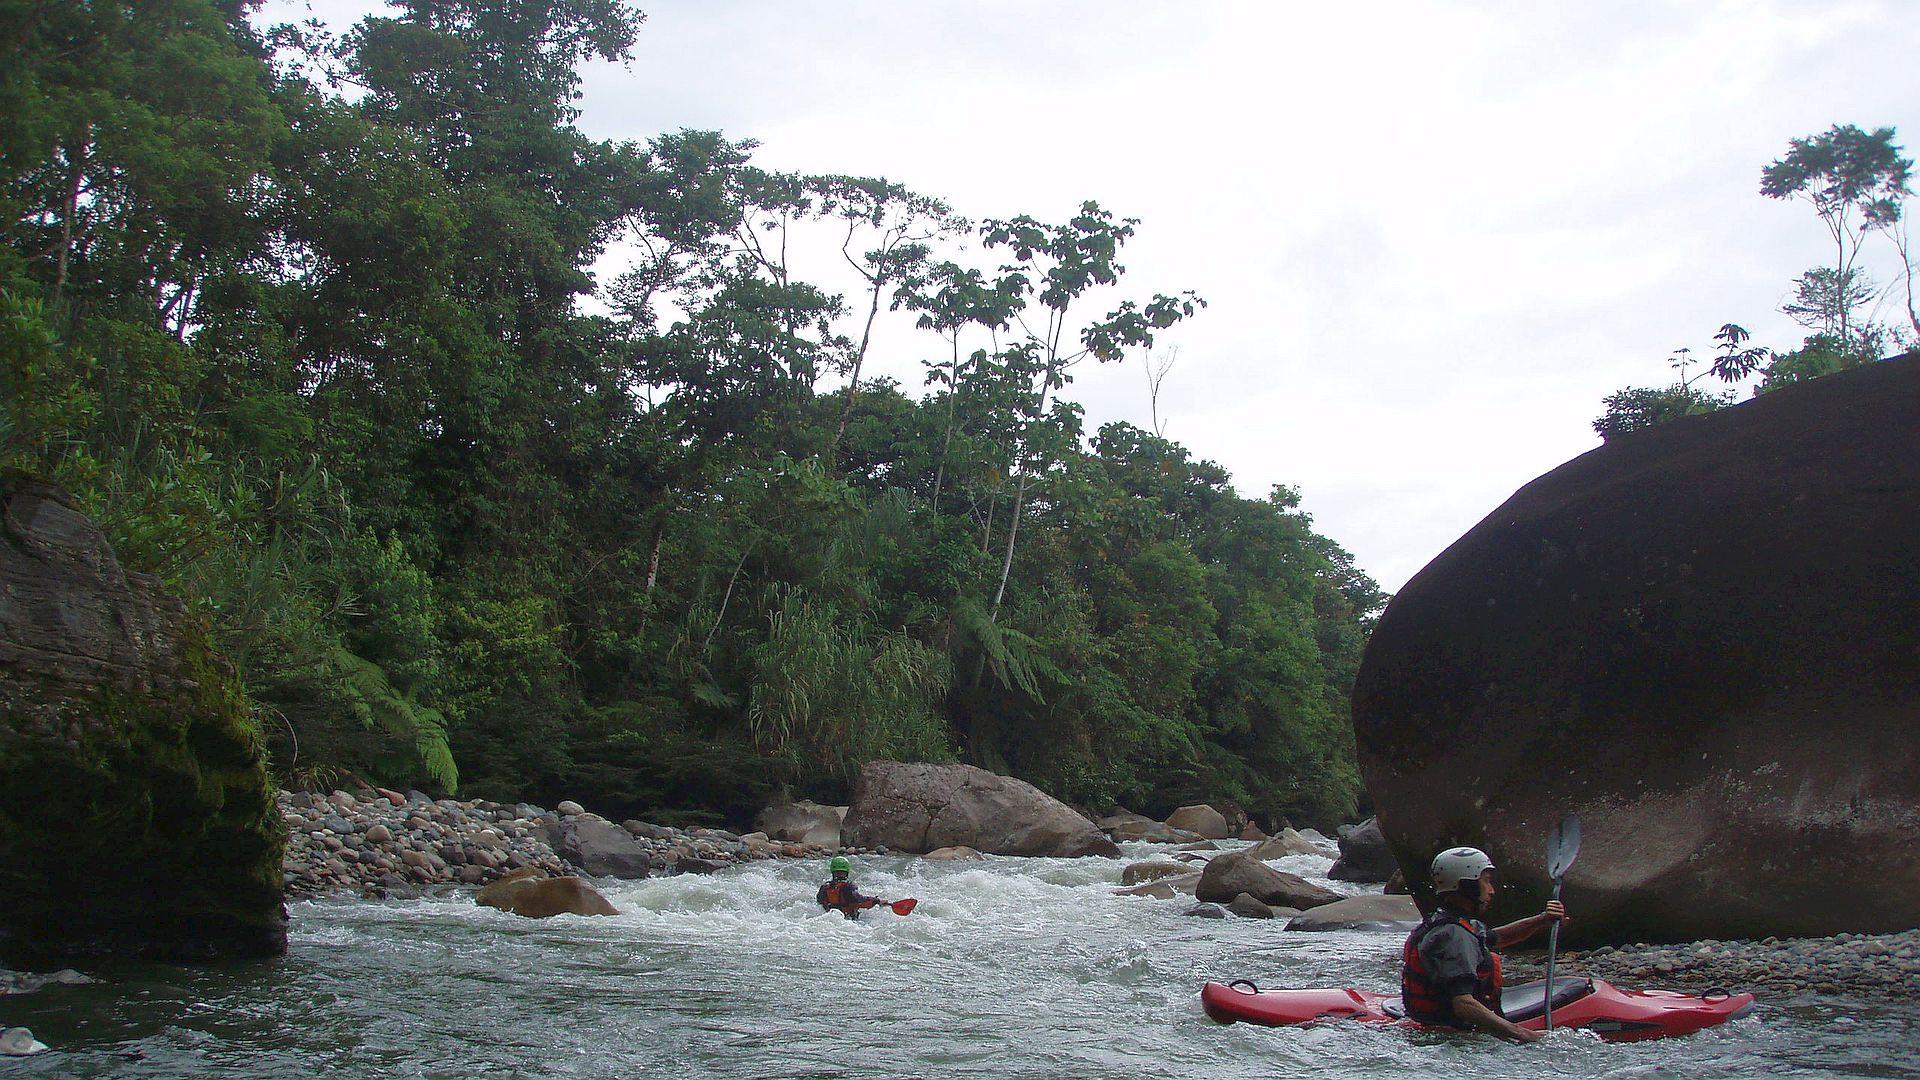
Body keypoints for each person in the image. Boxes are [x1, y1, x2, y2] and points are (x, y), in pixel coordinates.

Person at [1400, 846, 1568, 1043]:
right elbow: (1463, 1004)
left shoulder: (1446, 921)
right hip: (1454, 1037)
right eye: (1486, 882)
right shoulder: (1454, 935)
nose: (1491, 890)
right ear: (1467, 885)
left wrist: (1542, 920)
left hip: (1438, 1026)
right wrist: (1524, 1034)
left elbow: (1499, 938)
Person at [817, 855, 883, 919]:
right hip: (849, 919)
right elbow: (859, 900)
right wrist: (876, 900)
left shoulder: (825, 887)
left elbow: (819, 901)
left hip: (831, 918)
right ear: (847, 872)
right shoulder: (848, 886)